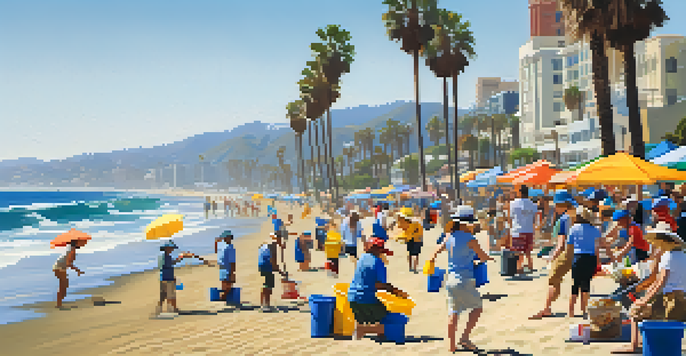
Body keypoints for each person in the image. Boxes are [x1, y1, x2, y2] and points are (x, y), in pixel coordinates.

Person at [612, 221, 686, 354]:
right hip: (682, 299)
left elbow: (660, 282)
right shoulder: (682, 255)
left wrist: (644, 300)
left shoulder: (667, 256)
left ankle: (633, 346)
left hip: (669, 300)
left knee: (635, 311)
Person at [428, 205, 494, 352]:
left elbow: (436, 251)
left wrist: (431, 263)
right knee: (477, 308)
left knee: (453, 312)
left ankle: (452, 347)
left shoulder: (449, 236)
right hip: (464, 279)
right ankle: (464, 337)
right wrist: (488, 259)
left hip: (450, 280)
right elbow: (482, 256)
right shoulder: (470, 239)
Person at [348, 231, 407, 341]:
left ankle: (362, 327)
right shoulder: (377, 262)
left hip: (352, 298)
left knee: (370, 314)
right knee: (384, 314)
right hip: (365, 299)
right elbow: (380, 285)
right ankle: (364, 330)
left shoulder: (362, 258)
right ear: (378, 250)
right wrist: (396, 292)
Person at [530, 191, 576, 319]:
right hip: (580, 251)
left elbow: (561, 243)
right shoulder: (576, 216)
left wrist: (552, 257)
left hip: (568, 252)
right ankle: (580, 308)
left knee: (553, 279)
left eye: (556, 205)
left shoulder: (564, 219)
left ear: (563, 205)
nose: (555, 208)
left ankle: (547, 308)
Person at [566, 206, 601, 318]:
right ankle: (584, 310)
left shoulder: (573, 228)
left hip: (577, 257)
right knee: (586, 284)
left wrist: (568, 258)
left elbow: (569, 245)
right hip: (590, 258)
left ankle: (571, 311)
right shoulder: (595, 230)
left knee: (575, 284)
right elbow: (597, 248)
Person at [158, 240, 197, 314]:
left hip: (163, 277)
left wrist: (181, 257)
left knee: (163, 295)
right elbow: (170, 264)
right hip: (167, 278)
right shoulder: (166, 257)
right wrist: (181, 257)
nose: (172, 250)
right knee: (170, 294)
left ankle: (160, 310)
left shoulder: (163, 257)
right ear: (166, 249)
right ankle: (173, 309)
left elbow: (169, 264)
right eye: (170, 248)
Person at [509, 185, 538, 274]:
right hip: (529, 230)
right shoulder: (533, 205)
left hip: (517, 230)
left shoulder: (513, 203)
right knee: (528, 250)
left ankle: (519, 267)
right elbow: (534, 219)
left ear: (520, 192)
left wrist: (511, 228)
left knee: (518, 250)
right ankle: (530, 265)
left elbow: (510, 218)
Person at [53, 239, 88, 308]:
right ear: (76, 243)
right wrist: (77, 270)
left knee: (64, 285)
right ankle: (59, 304)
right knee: (63, 285)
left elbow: (68, 263)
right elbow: (68, 263)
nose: (82, 243)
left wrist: (77, 270)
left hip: (60, 267)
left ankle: (59, 302)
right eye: (80, 242)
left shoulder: (71, 250)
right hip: (59, 267)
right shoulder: (71, 251)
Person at [258, 232, 286, 311]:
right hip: (267, 266)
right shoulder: (272, 245)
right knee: (268, 286)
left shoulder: (265, 243)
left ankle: (262, 304)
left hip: (261, 265)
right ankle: (266, 305)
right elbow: (273, 261)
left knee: (265, 285)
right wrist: (281, 272)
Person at [397, 207, 423, 273]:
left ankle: (410, 267)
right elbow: (420, 232)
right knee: (416, 255)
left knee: (410, 254)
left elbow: (406, 233)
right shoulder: (418, 222)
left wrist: (399, 238)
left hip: (411, 240)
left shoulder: (409, 224)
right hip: (417, 240)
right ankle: (414, 268)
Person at [214, 230, 236, 302]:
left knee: (224, 282)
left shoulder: (221, 245)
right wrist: (232, 272)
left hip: (221, 266)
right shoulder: (230, 247)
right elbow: (232, 261)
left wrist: (216, 241)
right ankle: (223, 296)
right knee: (229, 283)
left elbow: (216, 250)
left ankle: (224, 296)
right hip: (226, 267)